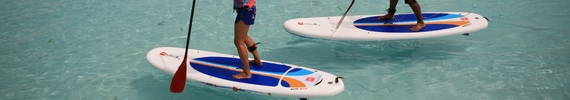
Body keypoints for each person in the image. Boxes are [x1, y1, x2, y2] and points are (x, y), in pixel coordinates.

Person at [232, 0, 262, 79]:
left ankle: (246, 72)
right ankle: (257, 60)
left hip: (245, 11)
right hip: (249, 9)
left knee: (239, 42)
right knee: (243, 37)